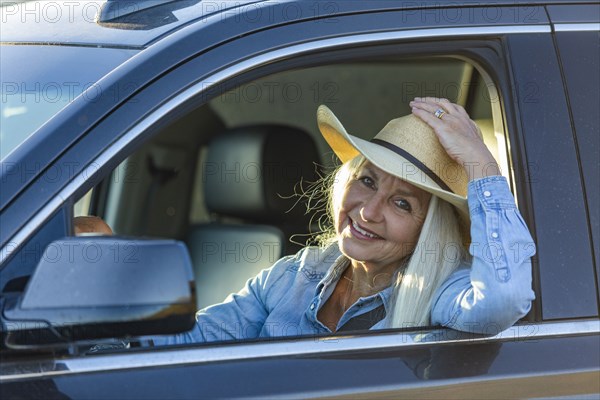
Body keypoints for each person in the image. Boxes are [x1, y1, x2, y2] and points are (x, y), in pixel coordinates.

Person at [155, 97, 535, 344]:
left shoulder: (440, 292)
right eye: (367, 181)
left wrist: (482, 167)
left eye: (402, 204)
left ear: (429, 228)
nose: (368, 211)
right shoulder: (291, 276)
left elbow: (503, 300)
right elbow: (193, 342)